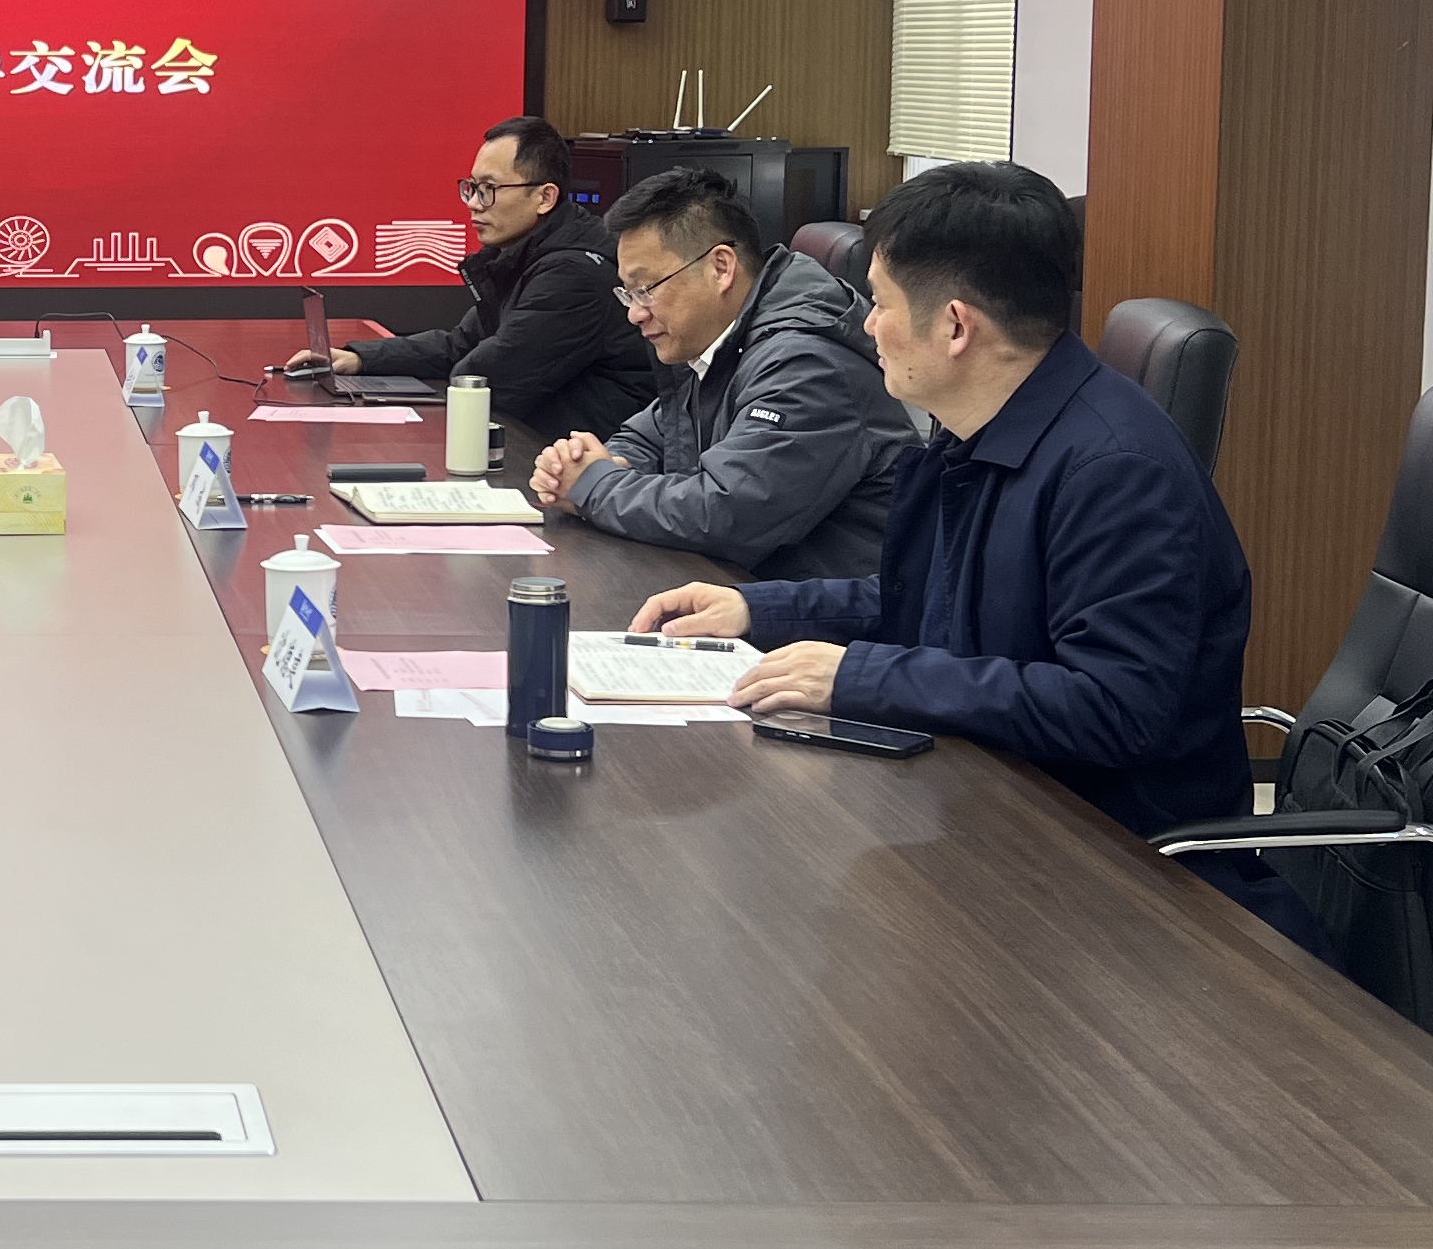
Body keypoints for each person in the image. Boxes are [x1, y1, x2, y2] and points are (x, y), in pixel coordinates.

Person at [627, 163, 1319, 951]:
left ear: (955, 327)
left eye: (881, 304)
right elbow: (924, 599)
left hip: (1114, 875)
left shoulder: (1117, 472)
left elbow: (1112, 708)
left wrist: (861, 677)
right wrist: (758, 609)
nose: (867, 327)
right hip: (990, 810)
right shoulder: (980, 432)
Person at [529, 166, 910, 580]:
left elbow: (728, 512)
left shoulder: (808, 363)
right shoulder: (718, 341)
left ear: (721, 268)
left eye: (646, 289)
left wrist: (594, 486)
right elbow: (650, 437)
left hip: (826, 611)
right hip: (742, 589)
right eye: (628, 293)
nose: (635, 313)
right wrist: (596, 463)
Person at [283, 114, 651, 432]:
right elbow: (461, 344)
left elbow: (487, 378)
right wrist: (361, 358)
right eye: (472, 188)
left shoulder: (574, 274)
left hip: (584, 456)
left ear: (544, 198)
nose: (474, 203)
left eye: (489, 189)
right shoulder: (523, 255)